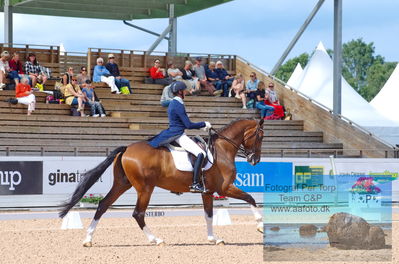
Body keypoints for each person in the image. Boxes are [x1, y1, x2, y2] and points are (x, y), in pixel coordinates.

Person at [148, 81, 212, 193]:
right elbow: (188, 125)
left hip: (174, 131)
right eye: (185, 90)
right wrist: (204, 124)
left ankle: (178, 185)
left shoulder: (173, 103)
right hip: (178, 134)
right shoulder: (178, 104)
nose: (186, 92)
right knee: (201, 153)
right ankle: (195, 183)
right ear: (180, 91)